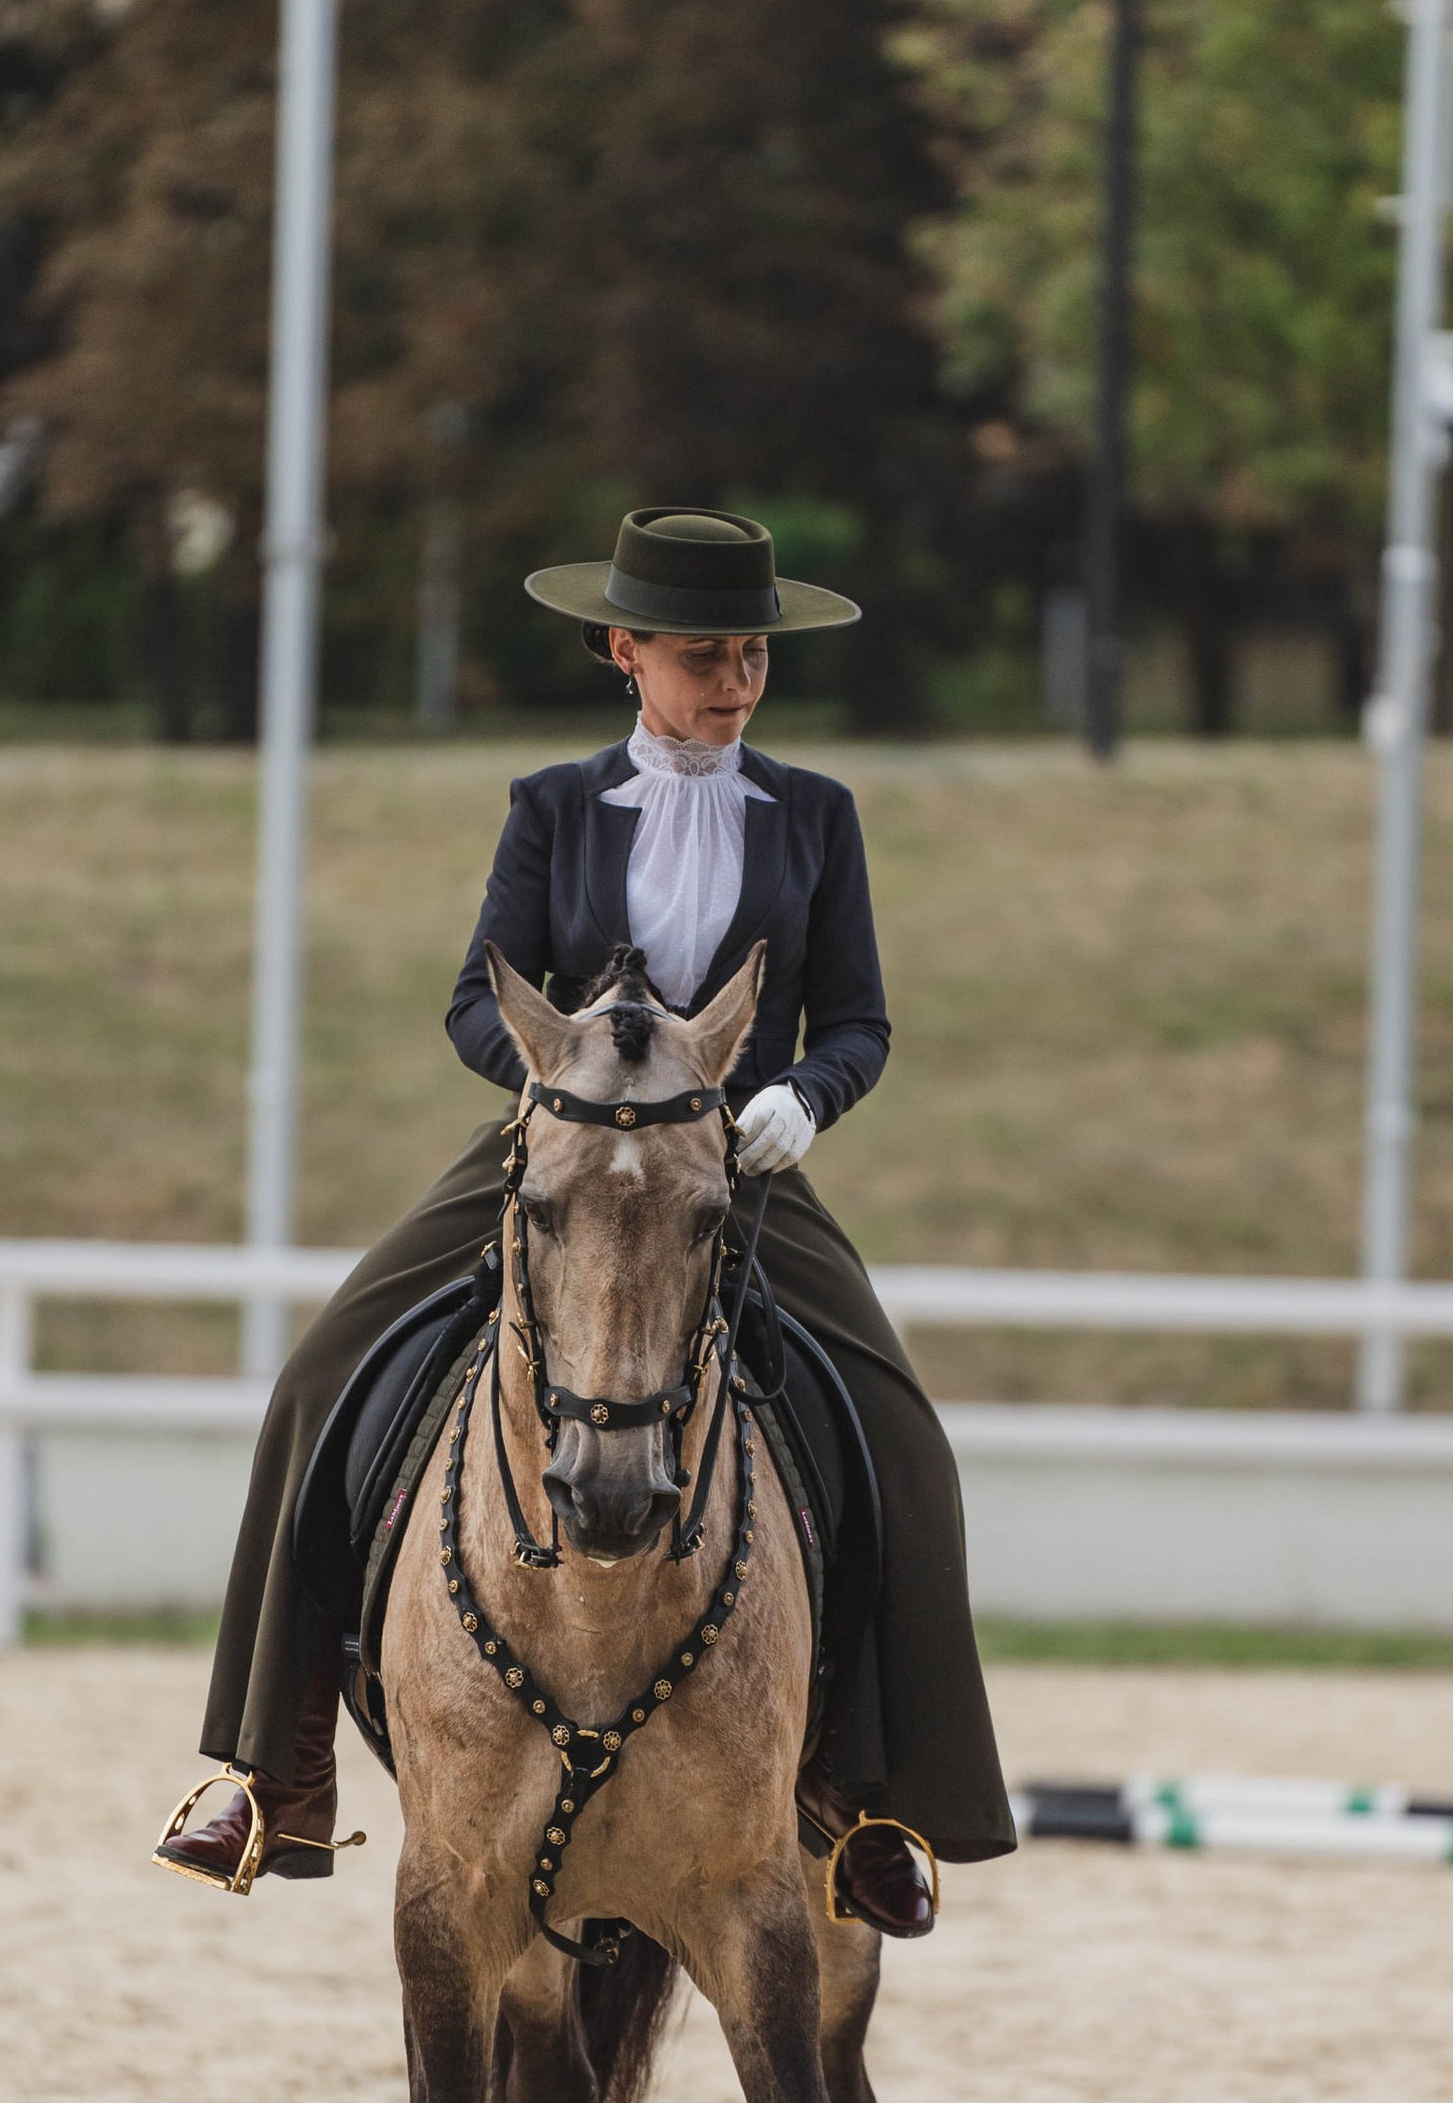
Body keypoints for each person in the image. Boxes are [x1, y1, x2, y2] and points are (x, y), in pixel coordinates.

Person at [157, 505, 1016, 1928]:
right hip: (556, 1156)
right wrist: (564, 1092)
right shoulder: (551, 806)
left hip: (732, 1167)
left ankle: (868, 1795)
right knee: (320, 1377)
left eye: (753, 655)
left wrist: (804, 1099)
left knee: (904, 1441)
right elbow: (471, 1000)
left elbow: (858, 1021)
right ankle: (269, 1770)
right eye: (703, 656)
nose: (735, 680)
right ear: (625, 650)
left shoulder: (816, 815)